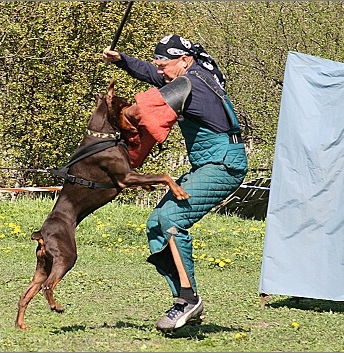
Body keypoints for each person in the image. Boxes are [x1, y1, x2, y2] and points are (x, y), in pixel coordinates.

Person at [102, 34, 248, 332]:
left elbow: (145, 111)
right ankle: (185, 298)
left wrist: (117, 120)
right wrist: (122, 60)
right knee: (156, 222)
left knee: (171, 218)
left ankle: (188, 299)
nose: (160, 69)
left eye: (164, 63)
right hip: (211, 161)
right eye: (158, 63)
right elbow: (154, 74)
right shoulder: (190, 73)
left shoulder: (190, 84)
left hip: (223, 163)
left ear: (184, 60)